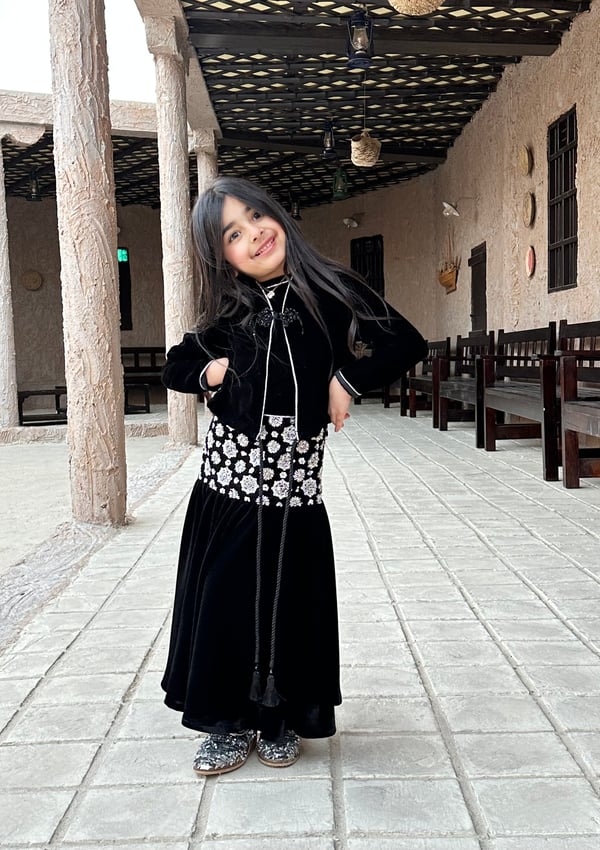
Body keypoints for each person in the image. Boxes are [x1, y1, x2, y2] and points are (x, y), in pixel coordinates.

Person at [161, 176, 427, 776]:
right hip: (229, 486)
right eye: (233, 234)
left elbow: (404, 342)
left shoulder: (331, 288)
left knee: (290, 604)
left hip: (296, 489)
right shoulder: (229, 310)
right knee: (227, 601)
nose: (253, 234)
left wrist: (346, 382)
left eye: (256, 217)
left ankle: (277, 720)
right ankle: (227, 722)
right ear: (222, 257)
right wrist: (214, 371)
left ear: (276, 214)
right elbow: (177, 365)